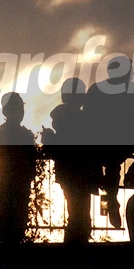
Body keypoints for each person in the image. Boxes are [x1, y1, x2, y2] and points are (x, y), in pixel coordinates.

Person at [84, 56, 134, 228]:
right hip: (116, 141)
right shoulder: (129, 90)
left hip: (100, 143)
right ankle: (132, 180)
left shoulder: (96, 89)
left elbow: (86, 118)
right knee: (113, 170)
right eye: (130, 71)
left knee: (111, 173)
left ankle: (112, 204)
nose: (132, 74)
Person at [44, 78, 101, 244]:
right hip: (84, 172)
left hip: (68, 171)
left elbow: (57, 147)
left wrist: (48, 138)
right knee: (81, 212)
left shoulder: (61, 118)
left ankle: (74, 243)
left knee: (76, 211)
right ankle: (78, 243)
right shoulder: (85, 119)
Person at [0, 92, 38, 245]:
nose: (20, 112)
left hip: (4, 183)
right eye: (18, 108)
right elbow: (31, 160)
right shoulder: (25, 135)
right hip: (18, 184)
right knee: (18, 219)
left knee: (8, 219)